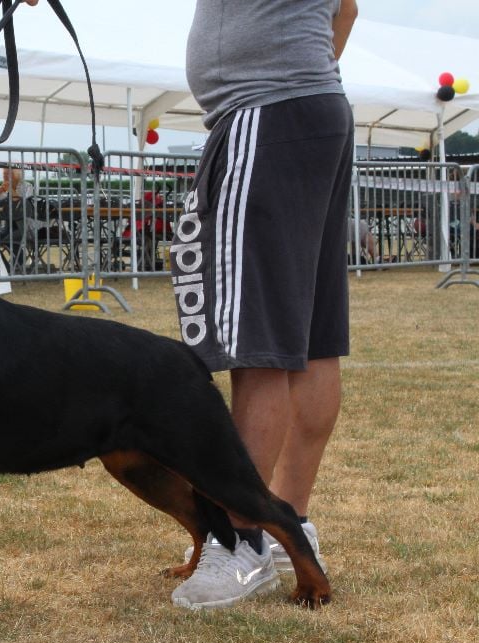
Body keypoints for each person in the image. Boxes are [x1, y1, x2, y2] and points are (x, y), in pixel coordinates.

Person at [169, 0, 358, 610]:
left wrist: (282, 82)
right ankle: (288, 525)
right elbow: (347, 9)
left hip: (268, 111)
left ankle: (242, 538)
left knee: (261, 340)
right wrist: (304, 76)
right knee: (311, 335)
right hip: (312, 107)